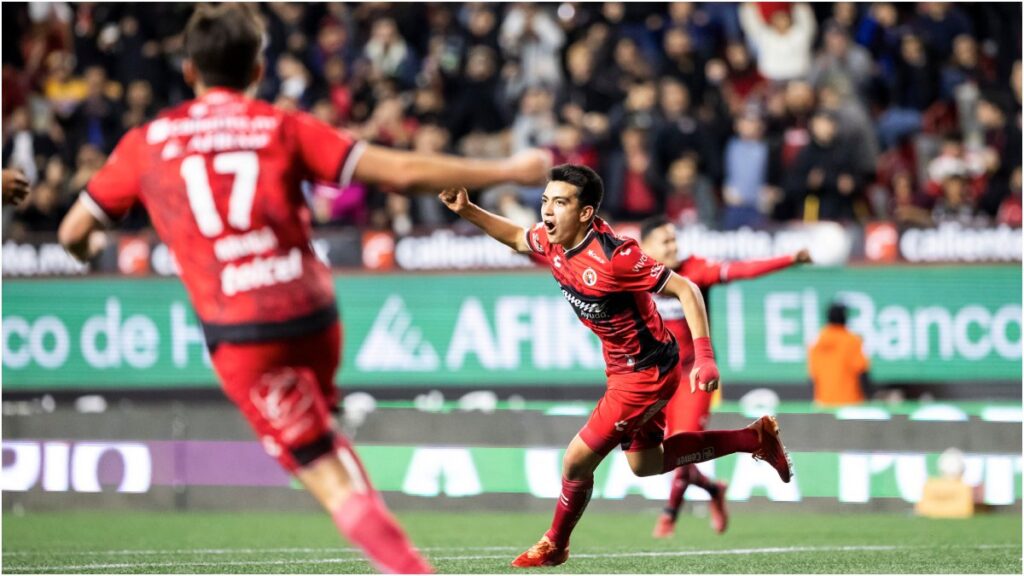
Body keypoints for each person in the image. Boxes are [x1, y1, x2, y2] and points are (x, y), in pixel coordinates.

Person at [57, 5, 550, 574]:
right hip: (313, 315)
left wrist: (87, 249)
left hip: (244, 334)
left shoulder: (146, 143)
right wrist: (509, 170)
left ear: (188, 70)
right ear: (257, 70)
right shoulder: (280, 126)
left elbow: (73, 231)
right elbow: (401, 172)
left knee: (328, 476)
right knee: (326, 439)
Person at [438, 165, 792, 569]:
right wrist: (467, 209)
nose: (547, 211)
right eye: (546, 201)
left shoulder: (616, 256)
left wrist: (706, 357)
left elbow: (687, 288)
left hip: (645, 373)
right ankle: (753, 438)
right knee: (646, 464)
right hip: (625, 366)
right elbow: (518, 237)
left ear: (585, 212)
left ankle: (555, 543)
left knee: (575, 461)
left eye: (560, 203)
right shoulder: (553, 240)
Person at [638, 216, 811, 539]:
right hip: (655, 378)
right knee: (657, 455)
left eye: (675, 240)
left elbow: (743, 269)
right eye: (666, 242)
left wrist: (789, 259)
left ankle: (668, 516)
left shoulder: (693, 270)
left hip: (692, 375)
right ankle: (713, 489)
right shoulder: (635, 274)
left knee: (682, 443)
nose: (674, 247)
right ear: (645, 247)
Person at [808, 301, 870, 407]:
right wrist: (869, 397)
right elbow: (862, 371)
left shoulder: (817, 341)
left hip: (824, 403)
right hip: (850, 403)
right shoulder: (852, 340)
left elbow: (813, 376)